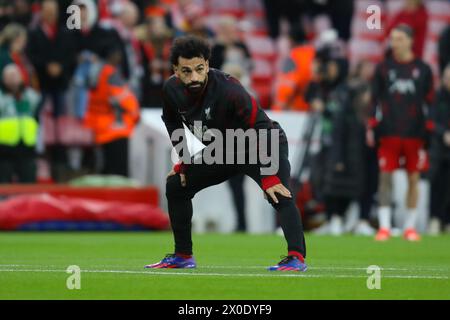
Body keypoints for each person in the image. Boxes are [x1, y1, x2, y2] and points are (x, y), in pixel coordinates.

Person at [145, 36, 307, 271]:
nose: (194, 77)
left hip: (259, 144)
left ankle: (296, 257)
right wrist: (185, 160)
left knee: (278, 192)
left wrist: (269, 175)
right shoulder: (171, 89)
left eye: (200, 69)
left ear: (208, 66)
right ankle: (183, 255)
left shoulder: (230, 90)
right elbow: (171, 121)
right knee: (176, 185)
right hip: (221, 150)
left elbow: (261, 127)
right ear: (176, 71)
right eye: (187, 71)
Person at [367, 24, 434, 241]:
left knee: (413, 178)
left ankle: (410, 226)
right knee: (385, 177)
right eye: (392, 39)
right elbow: (373, 100)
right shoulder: (383, 68)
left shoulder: (423, 69)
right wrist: (371, 125)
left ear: (410, 40)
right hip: (389, 131)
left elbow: (430, 101)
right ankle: (385, 226)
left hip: (415, 133)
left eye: (399, 39)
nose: (394, 43)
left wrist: (430, 128)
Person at [82, 48, 140, 177]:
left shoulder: (95, 70)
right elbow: (123, 98)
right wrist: (136, 114)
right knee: (118, 175)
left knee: (105, 171)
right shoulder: (110, 73)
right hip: (115, 129)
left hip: (99, 126)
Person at [0, 64, 40, 183]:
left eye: (15, 75)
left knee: (29, 183)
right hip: (4, 149)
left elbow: (37, 114)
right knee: (3, 184)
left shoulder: (31, 95)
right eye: (9, 76)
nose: (13, 78)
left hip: (27, 146)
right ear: (3, 78)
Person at [428, 64, 450, 235]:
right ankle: (435, 219)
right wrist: (444, 134)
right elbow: (430, 121)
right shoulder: (437, 97)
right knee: (438, 187)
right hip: (438, 151)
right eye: (447, 78)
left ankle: (447, 221)